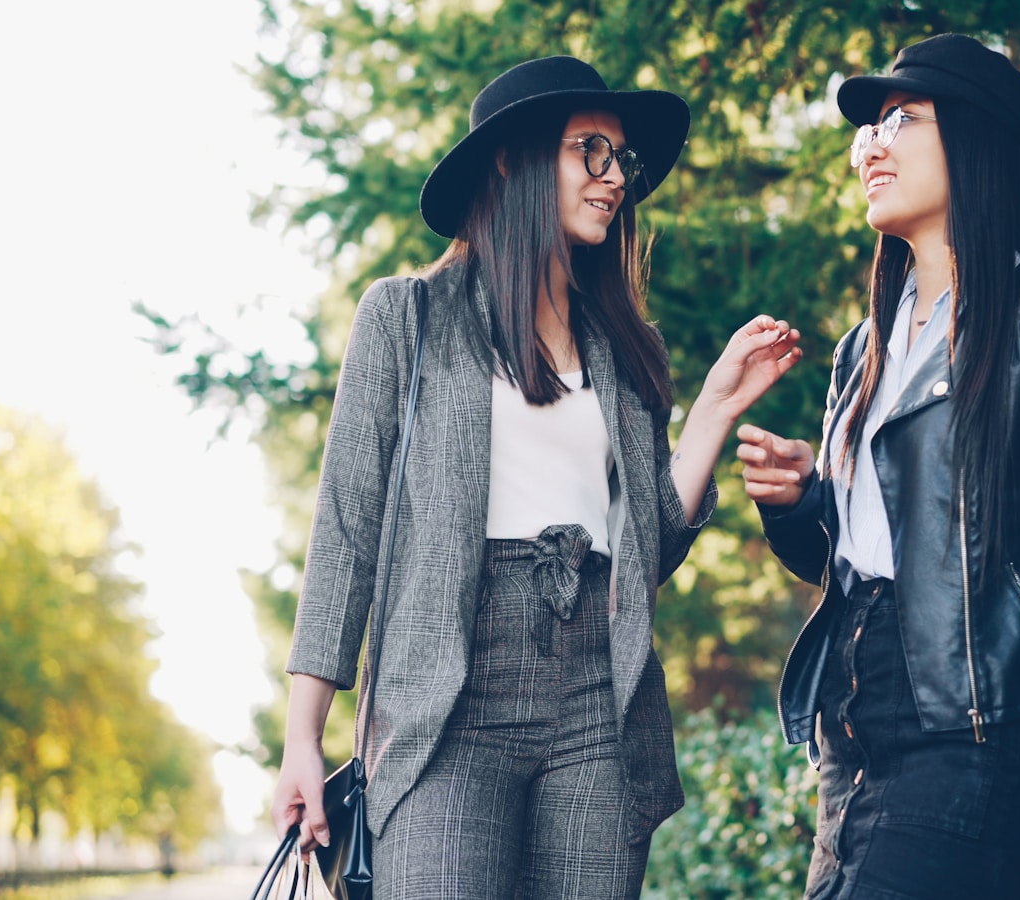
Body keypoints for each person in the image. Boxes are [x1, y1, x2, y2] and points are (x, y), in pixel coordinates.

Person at [271, 56, 801, 899]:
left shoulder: (631, 352)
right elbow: (345, 533)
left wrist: (713, 410)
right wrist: (304, 736)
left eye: (621, 159)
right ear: (513, 160)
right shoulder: (406, 318)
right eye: (589, 150)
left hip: (599, 693)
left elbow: (647, 555)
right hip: (448, 696)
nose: (615, 177)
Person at [737, 34, 1020, 900]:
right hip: (851, 740)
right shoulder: (862, 352)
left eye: (900, 119)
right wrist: (800, 502)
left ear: (976, 140)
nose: (871, 144)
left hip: (972, 735)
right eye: (867, 129)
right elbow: (870, 557)